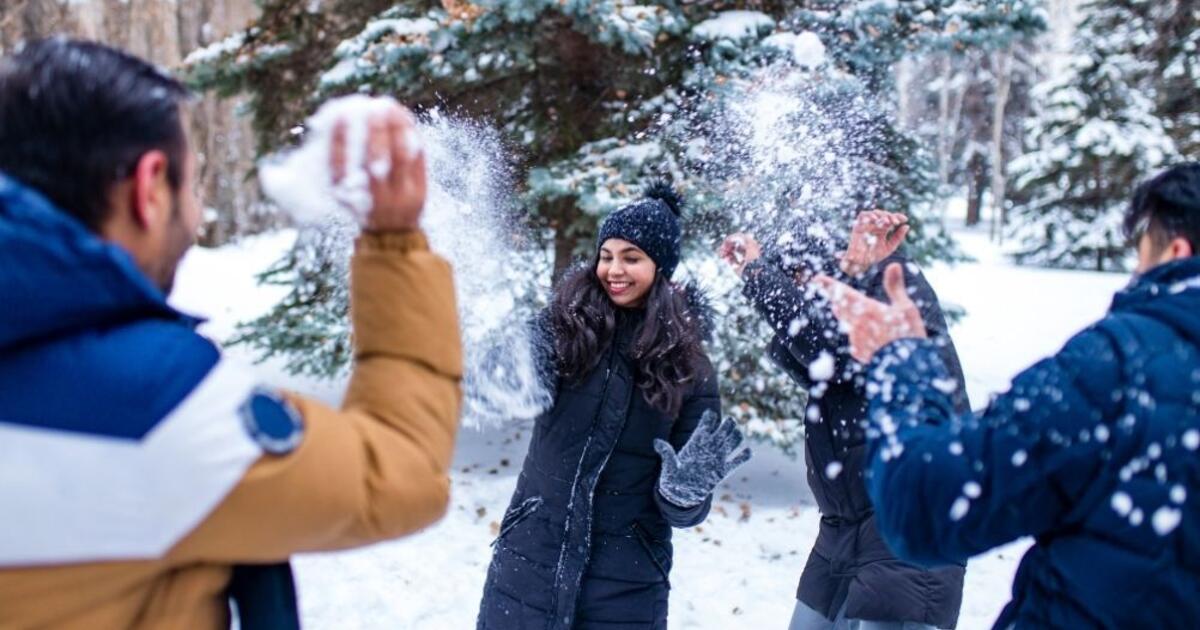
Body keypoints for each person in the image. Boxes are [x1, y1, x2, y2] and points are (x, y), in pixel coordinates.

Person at [0, 39, 462, 629]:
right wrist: (394, 242)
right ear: (149, 188)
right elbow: (401, 471)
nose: (196, 216)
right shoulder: (149, 410)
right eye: (193, 186)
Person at [817, 163, 1200, 629]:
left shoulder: (1119, 366)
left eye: (1142, 251)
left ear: (1176, 252)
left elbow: (924, 508)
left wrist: (900, 359)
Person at [477, 183, 751, 630]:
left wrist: (684, 495)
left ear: (660, 267)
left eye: (631, 258)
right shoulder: (563, 327)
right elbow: (496, 388)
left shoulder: (689, 366)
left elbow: (684, 511)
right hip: (531, 560)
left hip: (626, 583)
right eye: (606, 255)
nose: (614, 270)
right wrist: (496, 369)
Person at [720, 210, 969, 630]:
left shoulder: (893, 286)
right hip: (844, 528)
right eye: (791, 281)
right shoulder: (840, 319)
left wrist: (759, 275)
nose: (798, 293)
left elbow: (824, 346)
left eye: (799, 278)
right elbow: (818, 352)